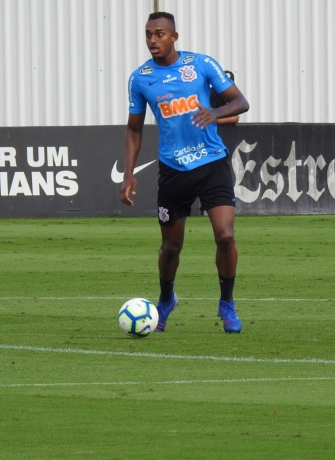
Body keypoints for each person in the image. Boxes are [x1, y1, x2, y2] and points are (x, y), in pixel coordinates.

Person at [120, 11, 250, 333]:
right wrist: (129, 172)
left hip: (211, 163)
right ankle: (166, 300)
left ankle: (227, 304)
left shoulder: (202, 64)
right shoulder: (141, 78)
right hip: (173, 171)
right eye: (148, 34)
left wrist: (216, 111)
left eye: (159, 34)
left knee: (225, 235)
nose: (153, 40)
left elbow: (240, 101)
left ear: (174, 37)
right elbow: (134, 129)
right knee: (171, 248)